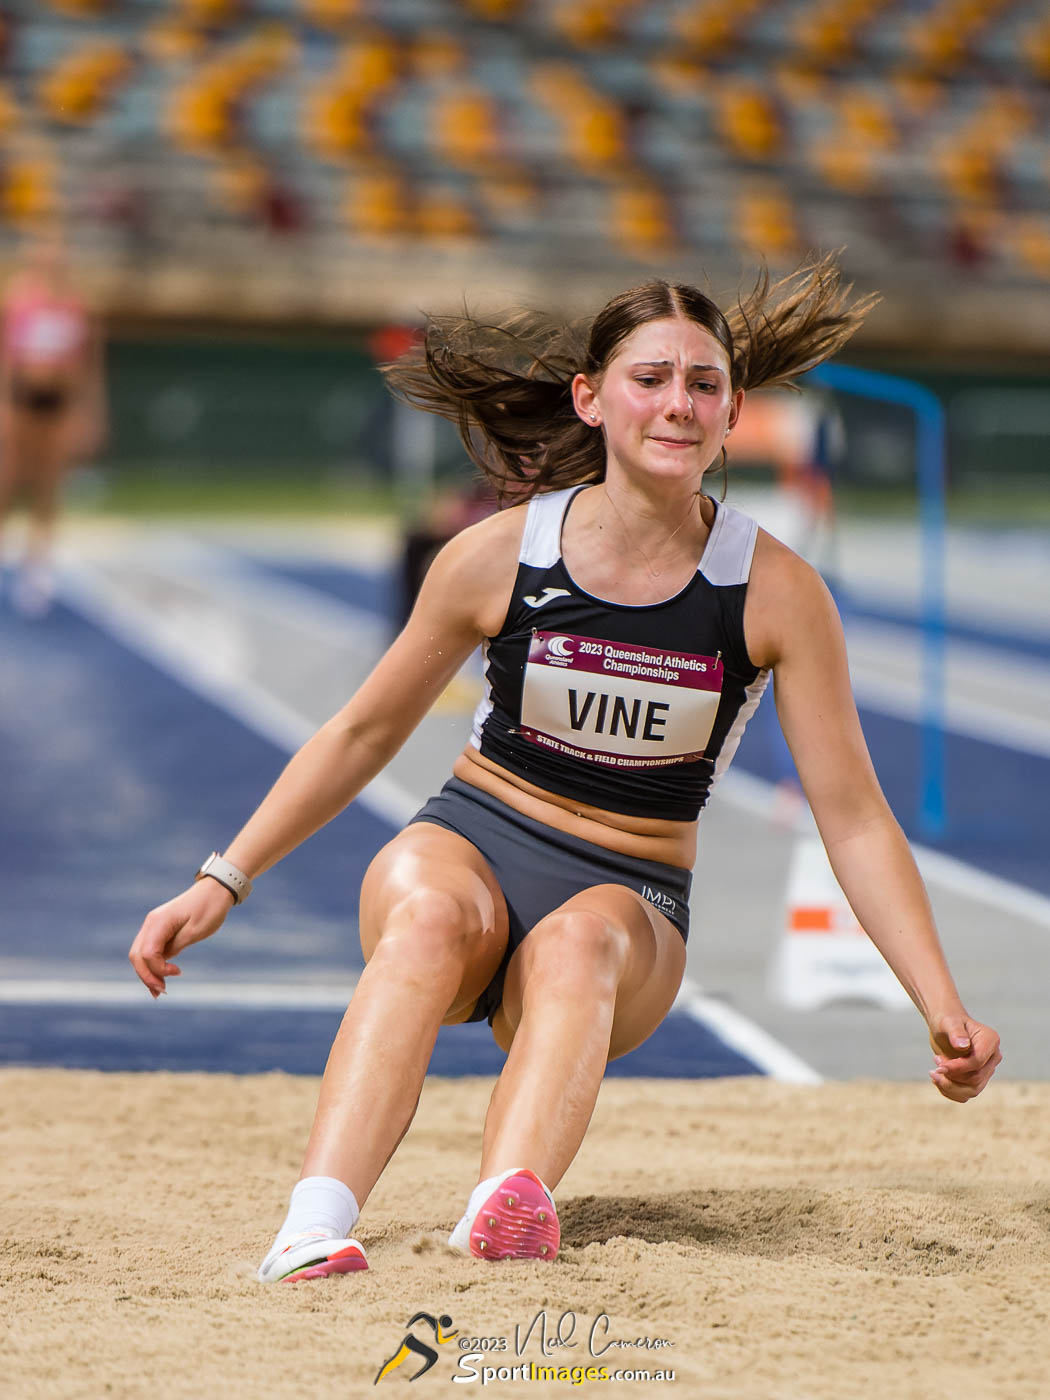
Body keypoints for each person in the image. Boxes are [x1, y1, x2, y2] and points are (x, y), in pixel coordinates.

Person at [129, 255, 1002, 1283]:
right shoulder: (499, 554)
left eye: (705, 383)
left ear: (732, 413)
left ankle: (505, 1205)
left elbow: (853, 816)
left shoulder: (775, 591)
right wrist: (221, 875)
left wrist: (940, 1001)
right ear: (591, 398)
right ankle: (314, 1222)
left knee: (579, 942)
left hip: (631, 894)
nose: (679, 403)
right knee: (428, 918)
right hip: (473, 838)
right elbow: (361, 733)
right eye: (651, 378)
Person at [0, 230, 107, 617]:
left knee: (48, 489)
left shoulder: (76, 306)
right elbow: (7, 360)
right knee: (8, 483)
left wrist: (88, 412)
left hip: (58, 405)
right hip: (22, 401)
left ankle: (37, 570)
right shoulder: (19, 299)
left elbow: (87, 365)